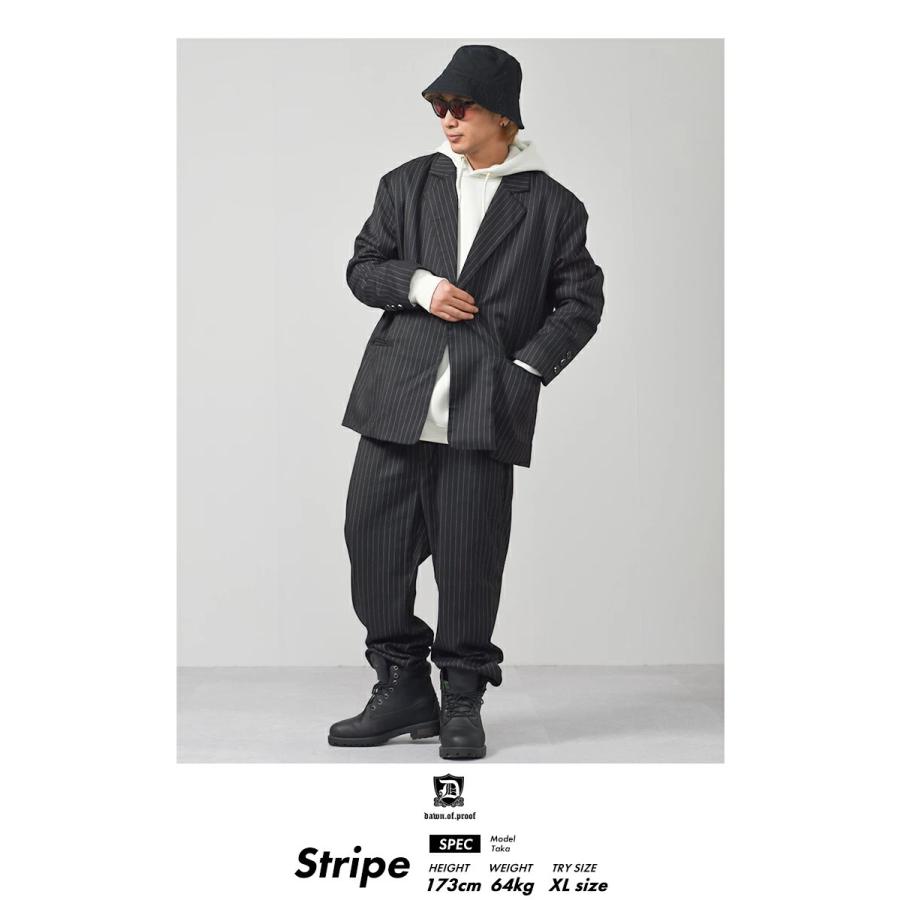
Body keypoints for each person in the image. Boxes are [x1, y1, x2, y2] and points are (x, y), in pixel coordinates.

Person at [328, 44, 605, 759]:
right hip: (394, 404)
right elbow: (363, 267)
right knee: (372, 549)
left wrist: (525, 369)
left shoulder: (552, 206)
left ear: (504, 117)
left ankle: (460, 702)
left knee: (469, 563)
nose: (447, 119)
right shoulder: (407, 184)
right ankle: (401, 687)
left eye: (461, 107)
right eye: (439, 107)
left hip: (483, 412)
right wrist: (418, 286)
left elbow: (581, 301)